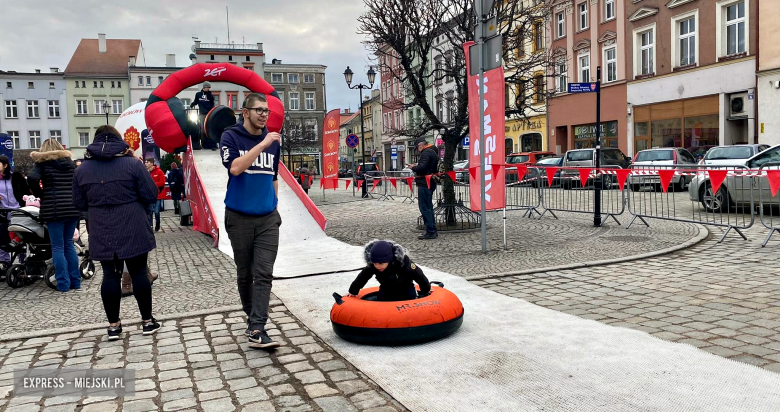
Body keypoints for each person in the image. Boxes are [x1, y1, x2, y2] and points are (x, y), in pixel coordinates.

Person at [73, 125, 161, 339]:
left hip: (102, 227)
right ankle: (147, 322)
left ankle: (113, 326)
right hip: (132, 223)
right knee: (139, 272)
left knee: (110, 276)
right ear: (119, 141)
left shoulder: (82, 170)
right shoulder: (133, 165)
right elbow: (151, 194)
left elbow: (78, 203)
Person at [221, 92, 282, 350]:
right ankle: (251, 318)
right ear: (245, 112)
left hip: (268, 218)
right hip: (239, 217)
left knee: (264, 273)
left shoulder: (273, 141)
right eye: (258, 110)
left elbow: (274, 175)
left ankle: (257, 327)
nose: (263, 115)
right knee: (245, 273)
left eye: (266, 111)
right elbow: (234, 168)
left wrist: (274, 205)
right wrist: (261, 145)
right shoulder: (231, 136)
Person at [28, 139, 81, 292]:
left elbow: (32, 178)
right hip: (72, 207)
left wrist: (40, 194)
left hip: (54, 208)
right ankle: (75, 282)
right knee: (69, 244)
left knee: (57, 246)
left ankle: (63, 284)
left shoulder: (42, 164)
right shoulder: (70, 163)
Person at [347, 240, 431, 301]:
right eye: (375, 263)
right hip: (387, 288)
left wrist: (426, 289)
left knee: (410, 297)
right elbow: (363, 277)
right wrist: (353, 291)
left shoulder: (404, 263)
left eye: (380, 263)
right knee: (382, 298)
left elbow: (419, 275)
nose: (377, 266)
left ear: (389, 259)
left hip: (406, 288)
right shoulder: (373, 266)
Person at [0, 155, 31, 264]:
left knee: (20, 237)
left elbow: (26, 191)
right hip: (3, 213)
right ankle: (4, 262)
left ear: (5, 165)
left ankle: (23, 262)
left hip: (18, 211)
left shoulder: (16, 177)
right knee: (3, 239)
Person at [409, 137, 439, 240]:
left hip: (425, 183)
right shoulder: (433, 151)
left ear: (421, 145)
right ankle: (432, 229)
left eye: (417, 148)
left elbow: (423, 168)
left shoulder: (426, 153)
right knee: (428, 207)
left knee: (425, 207)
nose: (417, 150)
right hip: (430, 182)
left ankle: (430, 231)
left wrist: (413, 167)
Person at [190, 82, 215, 150]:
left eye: (209, 88)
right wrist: (192, 104)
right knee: (202, 131)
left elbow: (212, 105)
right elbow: (195, 101)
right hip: (202, 114)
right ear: (204, 87)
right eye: (208, 88)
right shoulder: (198, 94)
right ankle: (203, 144)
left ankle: (209, 144)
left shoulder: (210, 95)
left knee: (208, 129)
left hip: (209, 114)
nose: (209, 89)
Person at [145, 159, 166, 232]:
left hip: (158, 195)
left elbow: (162, 182)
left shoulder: (159, 171)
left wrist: (152, 184)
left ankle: (158, 224)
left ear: (151, 163)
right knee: (150, 212)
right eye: (145, 162)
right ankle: (150, 225)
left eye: (147, 162)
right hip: (149, 196)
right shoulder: (145, 172)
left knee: (156, 211)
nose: (145, 163)